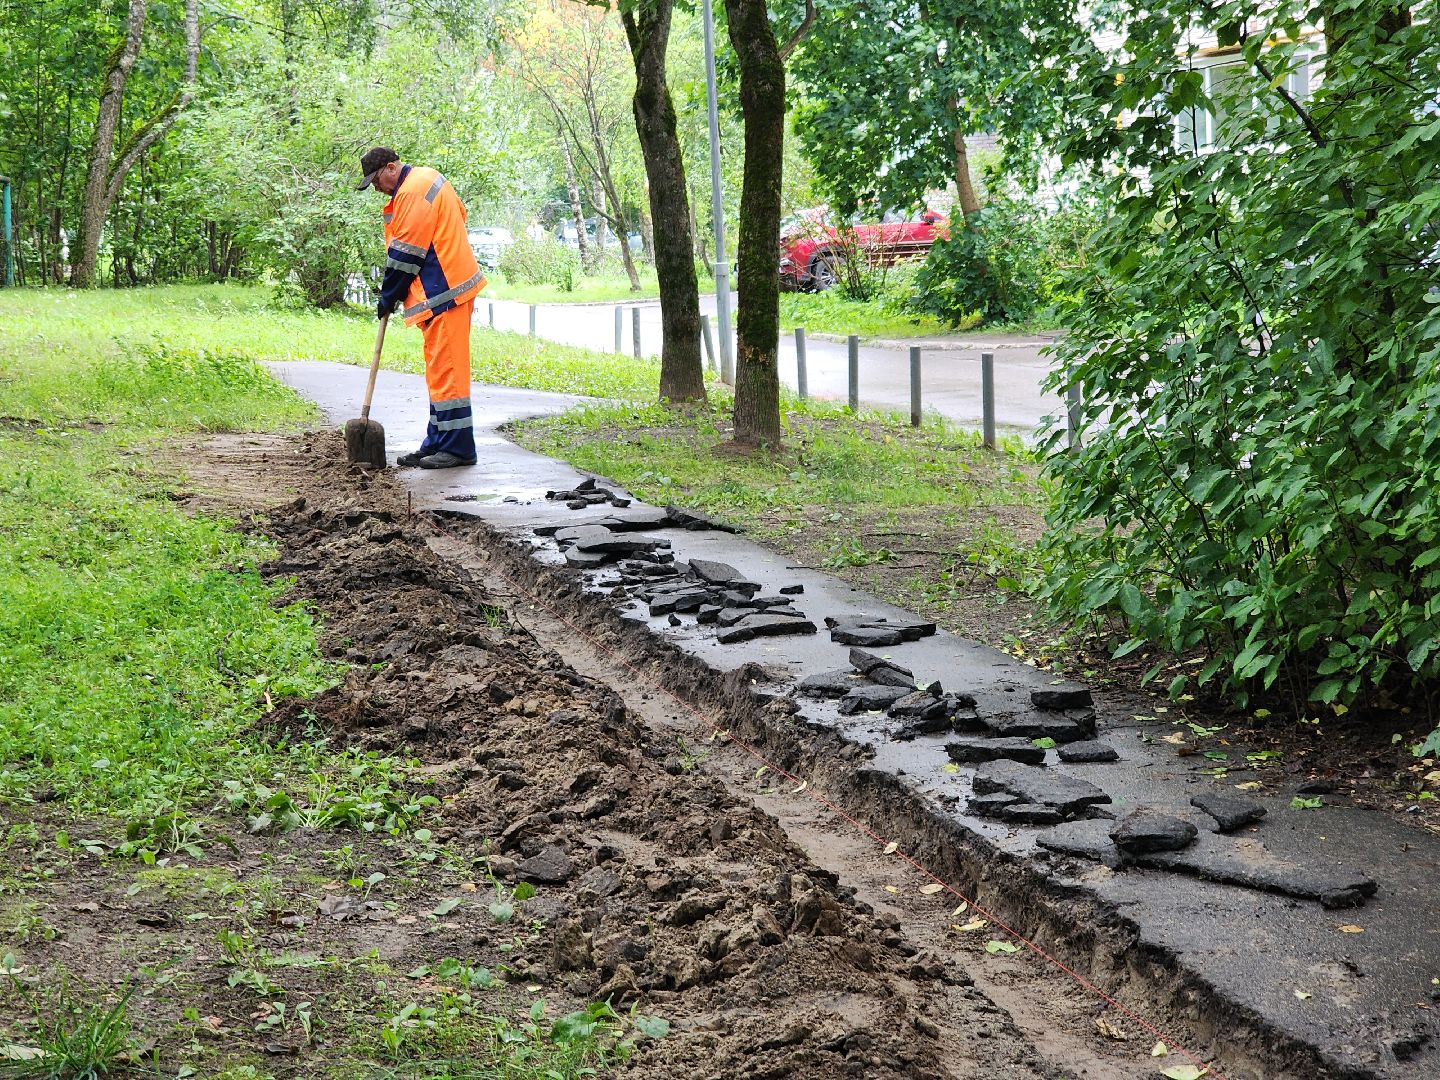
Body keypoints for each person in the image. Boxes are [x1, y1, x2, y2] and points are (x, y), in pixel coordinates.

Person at [357, 147, 485, 469]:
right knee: (440, 373)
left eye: (375, 180)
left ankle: (457, 449)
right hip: (444, 293)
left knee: (449, 374)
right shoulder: (426, 179)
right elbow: (458, 216)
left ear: (391, 167)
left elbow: (406, 256)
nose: (376, 188)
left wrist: (388, 296)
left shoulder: (412, 192)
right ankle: (437, 442)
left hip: (445, 294)